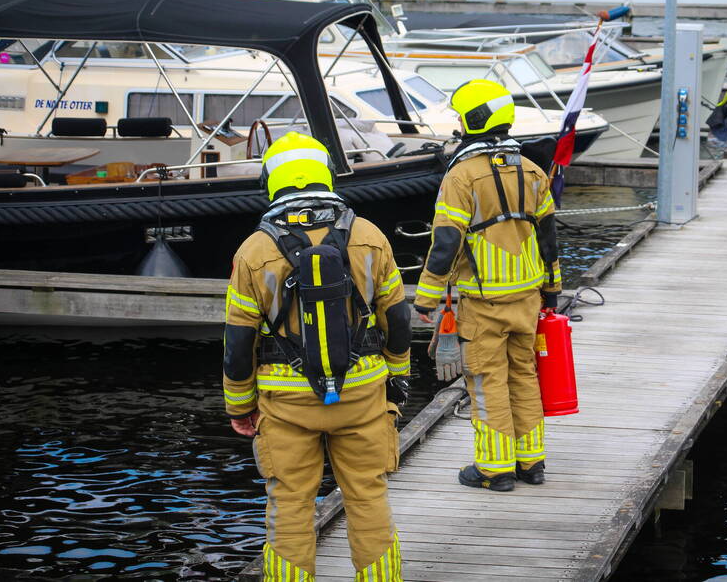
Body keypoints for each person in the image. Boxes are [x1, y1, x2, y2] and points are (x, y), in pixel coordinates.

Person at [223, 131, 411, 581]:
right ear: (325, 175)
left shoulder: (254, 250)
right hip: (362, 392)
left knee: (289, 502)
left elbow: (238, 342)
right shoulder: (368, 235)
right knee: (368, 496)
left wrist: (240, 406)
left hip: (286, 402)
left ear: (272, 181)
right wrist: (397, 379)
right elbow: (398, 320)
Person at [413, 79, 562, 492]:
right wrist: (552, 289)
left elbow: (446, 242)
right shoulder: (533, 171)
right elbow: (549, 239)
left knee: (486, 381)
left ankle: (495, 470)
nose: (459, 125)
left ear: (476, 119)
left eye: (462, 117)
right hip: (528, 296)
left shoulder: (461, 176)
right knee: (524, 375)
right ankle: (532, 463)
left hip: (484, 302)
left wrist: (426, 297)